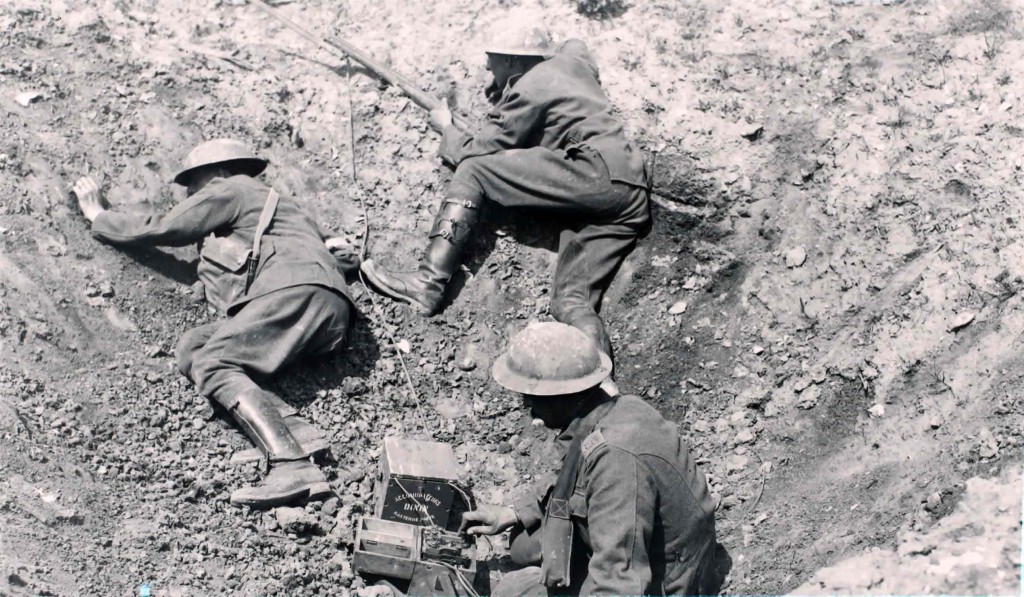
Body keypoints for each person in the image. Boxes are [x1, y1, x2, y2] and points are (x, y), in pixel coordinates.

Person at [72, 139, 359, 508]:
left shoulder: (231, 188)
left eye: (195, 184)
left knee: (214, 360)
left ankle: (293, 467)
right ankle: (294, 434)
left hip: (291, 291)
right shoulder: (285, 206)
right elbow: (338, 249)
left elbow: (168, 226)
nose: (192, 193)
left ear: (220, 172)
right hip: (331, 309)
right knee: (195, 346)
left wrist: (100, 215)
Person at [360, 26, 650, 363]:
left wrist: (447, 128)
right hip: (628, 196)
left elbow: (479, 152)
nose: (486, 69)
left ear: (513, 60)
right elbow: (575, 46)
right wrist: (509, 79)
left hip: (594, 172)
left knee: (474, 171)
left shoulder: (532, 83)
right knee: (570, 302)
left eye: (490, 61)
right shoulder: (574, 66)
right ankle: (600, 391)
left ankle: (428, 283)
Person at [460, 322, 719, 596]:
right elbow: (575, 475)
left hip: (665, 582)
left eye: (532, 396)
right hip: (662, 553)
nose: (526, 405)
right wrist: (512, 513)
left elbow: (619, 582)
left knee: (511, 591)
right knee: (525, 543)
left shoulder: (616, 461)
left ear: (561, 397)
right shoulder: (607, 412)